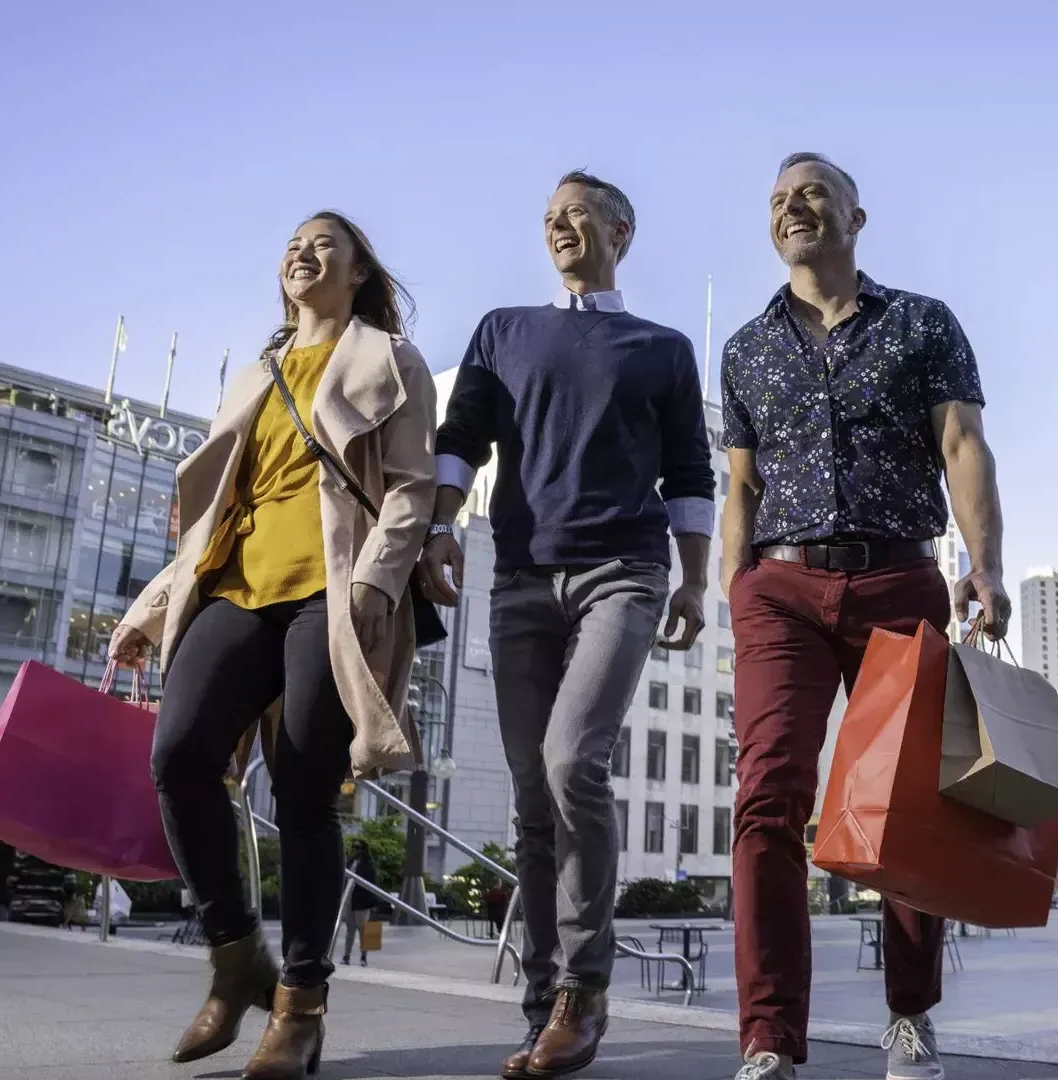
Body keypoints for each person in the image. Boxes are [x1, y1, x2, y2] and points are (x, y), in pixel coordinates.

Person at [110, 210, 436, 1079]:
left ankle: (300, 1003)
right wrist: (152, 606)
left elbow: (409, 489)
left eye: (325, 242)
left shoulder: (389, 361)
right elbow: (211, 515)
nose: (303, 251)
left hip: (332, 593)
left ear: (361, 270)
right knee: (178, 756)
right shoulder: (256, 374)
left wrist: (374, 580)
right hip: (233, 588)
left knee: (303, 791)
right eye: (293, 242)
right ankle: (233, 954)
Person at [418, 170, 714, 1080]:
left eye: (578, 215)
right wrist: (438, 527)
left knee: (570, 762)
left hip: (622, 573)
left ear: (621, 230)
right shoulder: (503, 331)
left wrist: (696, 584)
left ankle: (586, 993)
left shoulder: (659, 347)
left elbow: (691, 474)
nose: (561, 228)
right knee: (530, 800)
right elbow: (461, 436)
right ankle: (542, 1003)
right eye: (550, 218)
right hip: (518, 582)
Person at [720, 153, 1009, 1080]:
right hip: (780, 586)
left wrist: (986, 564)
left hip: (899, 580)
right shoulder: (745, 347)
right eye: (777, 201)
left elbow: (962, 444)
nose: (792, 210)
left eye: (811, 195)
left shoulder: (923, 323)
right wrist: (738, 590)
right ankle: (769, 1038)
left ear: (856, 216)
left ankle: (911, 1015)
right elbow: (740, 484)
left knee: (903, 802)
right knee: (767, 797)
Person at [341, 840, 378, 967]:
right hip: (349, 901)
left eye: (357, 848)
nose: (355, 850)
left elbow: (371, 884)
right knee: (350, 930)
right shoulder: (349, 862)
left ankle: (363, 957)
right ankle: (346, 956)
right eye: (353, 847)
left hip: (362, 902)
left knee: (364, 931)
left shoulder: (368, 865)